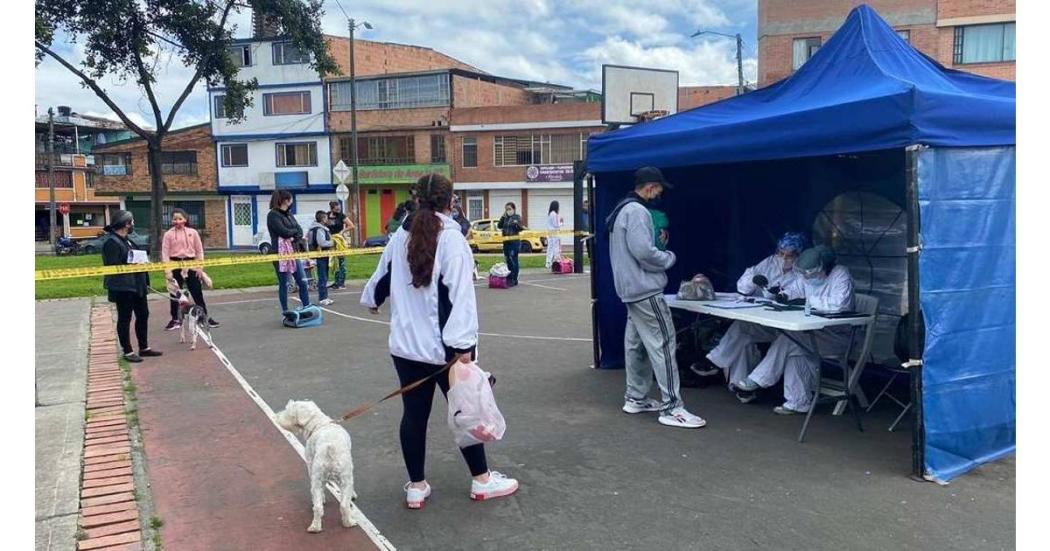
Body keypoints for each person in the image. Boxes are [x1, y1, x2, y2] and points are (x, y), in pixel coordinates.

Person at [361, 173, 519, 509]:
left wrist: (372, 300)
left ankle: (416, 486)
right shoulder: (452, 239)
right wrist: (465, 346)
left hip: (405, 348)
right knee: (466, 411)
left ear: (417, 199)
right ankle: (482, 480)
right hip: (447, 350)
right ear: (451, 201)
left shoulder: (398, 236)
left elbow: (380, 279)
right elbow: (460, 296)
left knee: (413, 416)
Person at [606, 166, 706, 429]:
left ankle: (636, 397)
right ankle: (673, 407)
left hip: (630, 290)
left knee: (636, 344)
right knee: (663, 343)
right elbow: (644, 252)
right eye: (659, 187)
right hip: (646, 290)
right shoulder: (638, 211)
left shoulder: (621, 209)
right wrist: (668, 257)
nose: (661, 192)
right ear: (650, 186)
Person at [733, 245, 856, 414]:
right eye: (805, 273)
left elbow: (839, 304)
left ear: (825, 267)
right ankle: (798, 402)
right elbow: (797, 287)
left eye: (811, 274)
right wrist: (785, 294)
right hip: (814, 333)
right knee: (794, 344)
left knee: (789, 339)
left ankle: (758, 379)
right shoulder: (807, 275)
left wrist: (808, 301)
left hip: (837, 336)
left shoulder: (840, 275)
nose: (807, 277)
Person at [705, 232, 806, 400]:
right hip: (766, 320)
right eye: (781, 253)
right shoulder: (769, 263)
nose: (784, 258)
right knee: (742, 328)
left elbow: (798, 293)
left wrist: (782, 294)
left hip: (787, 326)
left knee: (750, 333)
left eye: (790, 255)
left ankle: (749, 381)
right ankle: (730, 377)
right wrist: (753, 281)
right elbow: (743, 287)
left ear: (799, 255)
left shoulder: (803, 271)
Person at [101, 210, 162, 363]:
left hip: (137, 286)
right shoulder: (111, 242)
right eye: (132, 221)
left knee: (143, 315)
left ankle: (144, 347)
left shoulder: (127, 240)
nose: (133, 224)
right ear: (126, 223)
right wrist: (132, 262)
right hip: (123, 288)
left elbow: (135, 256)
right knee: (125, 318)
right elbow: (113, 265)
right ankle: (127, 351)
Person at [162, 209, 219, 331]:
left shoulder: (193, 233)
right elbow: (165, 253)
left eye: (180, 219)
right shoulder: (168, 234)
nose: (177, 221)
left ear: (185, 219)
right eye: (175, 219)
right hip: (175, 264)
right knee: (175, 293)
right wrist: (168, 270)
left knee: (197, 292)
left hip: (191, 264)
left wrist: (199, 267)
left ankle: (204, 317)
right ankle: (175, 319)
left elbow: (199, 251)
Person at [267, 190, 310, 313]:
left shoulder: (289, 214)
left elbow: (299, 230)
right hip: (280, 253)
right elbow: (283, 232)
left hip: (293, 251)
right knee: (284, 283)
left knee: (302, 281)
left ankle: (306, 306)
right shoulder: (273, 215)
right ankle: (285, 310)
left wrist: (293, 236)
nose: (292, 202)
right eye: (291, 199)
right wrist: (292, 234)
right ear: (286, 200)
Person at [308, 210, 335, 306]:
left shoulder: (316, 228)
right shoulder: (319, 230)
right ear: (323, 219)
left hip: (321, 255)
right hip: (321, 255)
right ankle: (322, 298)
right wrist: (333, 242)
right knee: (322, 277)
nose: (327, 219)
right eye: (326, 218)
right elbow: (322, 242)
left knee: (324, 276)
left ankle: (325, 296)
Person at [325, 201, 353, 290]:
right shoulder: (327, 215)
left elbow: (351, 226)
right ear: (331, 209)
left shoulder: (342, 216)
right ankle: (336, 282)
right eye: (336, 209)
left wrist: (343, 231)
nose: (338, 210)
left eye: (339, 208)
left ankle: (342, 282)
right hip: (330, 240)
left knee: (341, 261)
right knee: (334, 262)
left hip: (339, 240)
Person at [497, 202, 523, 287]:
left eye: (509, 209)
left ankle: (514, 278)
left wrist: (516, 223)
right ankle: (509, 277)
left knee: (513, 259)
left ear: (513, 209)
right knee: (508, 259)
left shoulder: (517, 217)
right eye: (506, 209)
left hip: (514, 242)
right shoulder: (505, 218)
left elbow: (520, 228)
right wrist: (503, 216)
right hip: (506, 242)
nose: (508, 211)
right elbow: (499, 226)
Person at [544, 200, 564, 269]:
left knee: (550, 248)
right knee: (556, 248)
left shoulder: (550, 214)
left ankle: (548, 263)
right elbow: (556, 225)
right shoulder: (554, 214)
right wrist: (561, 223)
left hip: (550, 233)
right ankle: (556, 262)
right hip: (555, 234)